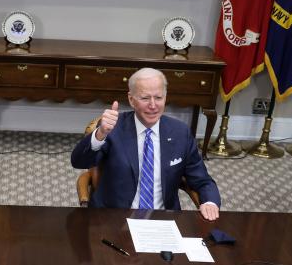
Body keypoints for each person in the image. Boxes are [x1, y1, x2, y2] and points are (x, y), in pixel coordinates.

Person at [71, 67, 221, 220]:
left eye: (158, 97)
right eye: (145, 98)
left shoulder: (180, 133)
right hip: (114, 218)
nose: (153, 105)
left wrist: (210, 202)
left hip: (163, 220)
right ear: (131, 100)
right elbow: (78, 161)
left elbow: (202, 179)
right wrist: (100, 133)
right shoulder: (113, 128)